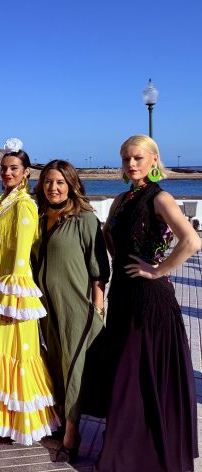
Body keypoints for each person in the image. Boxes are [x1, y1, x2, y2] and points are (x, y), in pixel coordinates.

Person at [97, 135, 200, 472]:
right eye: (126, 158)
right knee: (126, 369)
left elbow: (191, 241)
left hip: (150, 298)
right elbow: (108, 235)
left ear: (154, 159)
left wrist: (158, 269)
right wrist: (121, 262)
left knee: (141, 370)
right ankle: (128, 447)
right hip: (123, 293)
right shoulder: (121, 199)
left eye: (138, 158)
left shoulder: (160, 197)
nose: (131, 164)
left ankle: (143, 452)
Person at [0, 140, 59, 445]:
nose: (7, 173)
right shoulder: (5, 200)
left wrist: (14, 292)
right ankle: (5, 418)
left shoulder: (24, 204)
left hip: (15, 291)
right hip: (2, 285)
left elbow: (21, 253)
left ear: (26, 172)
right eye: (4, 168)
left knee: (17, 351)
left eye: (14, 168)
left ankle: (22, 421)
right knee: (6, 351)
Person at [31, 160, 109, 462]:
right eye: (48, 181)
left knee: (74, 367)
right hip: (46, 308)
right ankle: (62, 419)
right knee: (56, 363)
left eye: (60, 182)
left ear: (71, 185)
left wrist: (98, 307)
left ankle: (72, 435)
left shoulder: (84, 219)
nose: (53, 187)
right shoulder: (39, 217)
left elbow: (98, 269)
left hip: (77, 306)